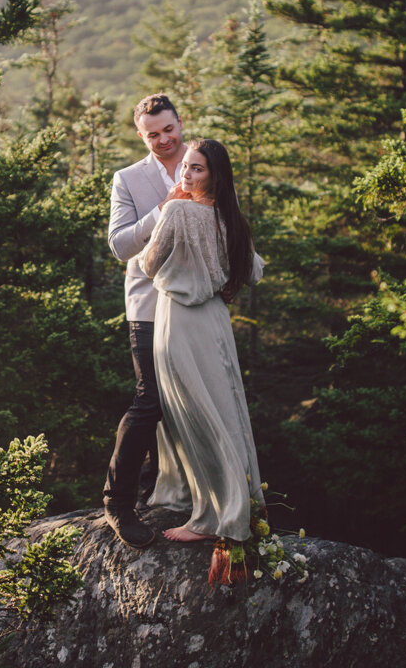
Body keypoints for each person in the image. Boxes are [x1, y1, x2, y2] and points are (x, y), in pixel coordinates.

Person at [142, 138, 264, 543]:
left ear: (214, 175)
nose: (186, 175)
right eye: (186, 167)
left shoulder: (177, 209)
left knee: (191, 411)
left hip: (179, 318)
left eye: (196, 169)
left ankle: (209, 517)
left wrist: (173, 207)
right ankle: (230, 499)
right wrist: (219, 277)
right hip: (215, 318)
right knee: (221, 408)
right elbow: (254, 271)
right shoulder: (231, 218)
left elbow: (147, 264)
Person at [101, 93, 189, 548]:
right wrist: (164, 208)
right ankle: (118, 503)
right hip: (149, 307)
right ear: (142, 135)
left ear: (180, 123)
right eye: (152, 134)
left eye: (168, 129)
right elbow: (119, 246)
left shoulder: (204, 165)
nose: (163, 139)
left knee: (189, 401)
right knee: (150, 401)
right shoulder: (128, 179)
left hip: (195, 306)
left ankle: (167, 491)